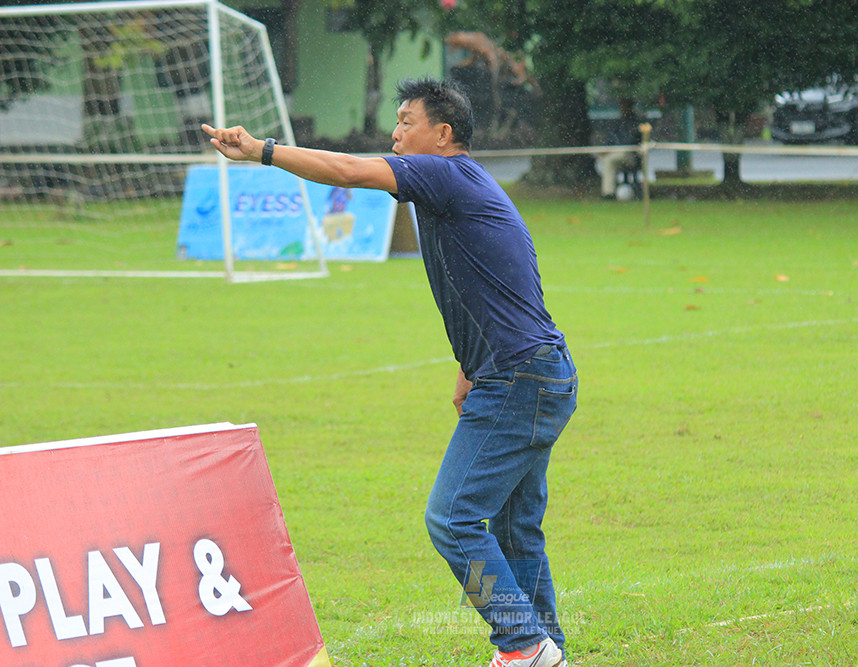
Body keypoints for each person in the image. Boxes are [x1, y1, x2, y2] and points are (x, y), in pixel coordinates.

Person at [202, 77, 577, 667]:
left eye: (407, 121)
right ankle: (544, 649)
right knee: (514, 529)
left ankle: (523, 646)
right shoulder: (459, 185)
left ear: (443, 134)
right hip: (531, 372)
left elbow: (349, 171)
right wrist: (468, 364)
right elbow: (498, 279)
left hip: (521, 378)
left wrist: (263, 151)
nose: (395, 133)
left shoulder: (445, 173)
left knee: (452, 520)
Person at [596, 99, 642, 199]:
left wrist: (611, 150)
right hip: (616, 154)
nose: (623, 109)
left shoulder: (636, 123)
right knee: (607, 161)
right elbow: (611, 139)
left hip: (630, 155)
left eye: (625, 107)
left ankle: (608, 192)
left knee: (609, 160)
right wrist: (606, 150)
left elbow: (631, 141)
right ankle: (609, 192)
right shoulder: (619, 123)